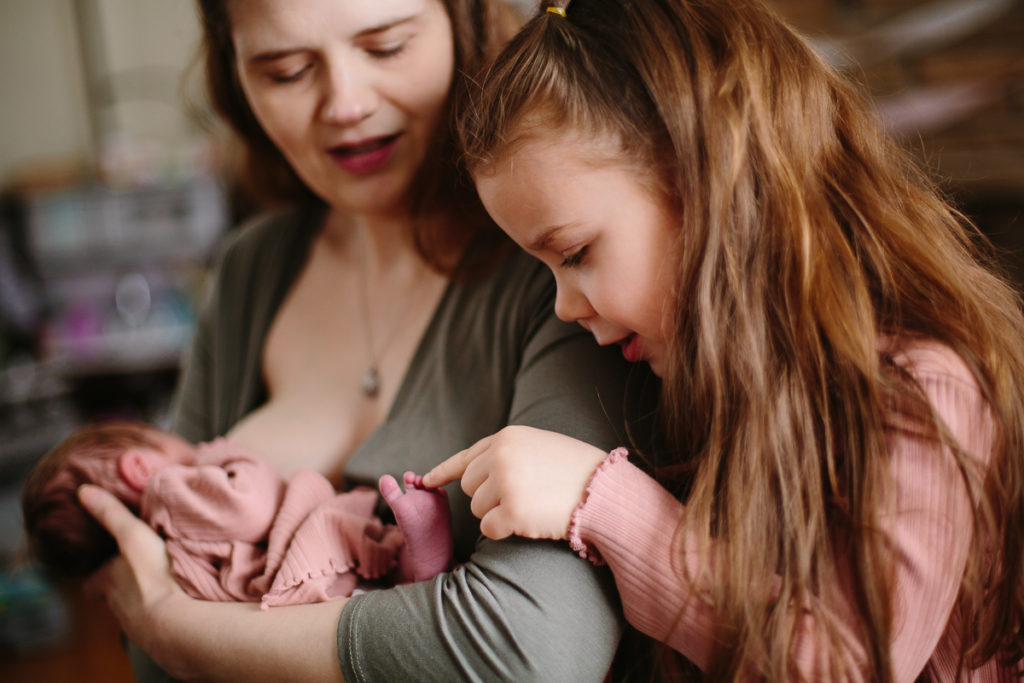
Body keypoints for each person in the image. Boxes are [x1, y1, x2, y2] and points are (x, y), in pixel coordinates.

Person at [426, 0, 1024, 680]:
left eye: (577, 252)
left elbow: (844, 665)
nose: (564, 306)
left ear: (708, 185)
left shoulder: (920, 390)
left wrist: (603, 498)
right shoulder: (693, 379)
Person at [76, 0, 644, 680]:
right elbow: (146, 634)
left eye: (387, 47)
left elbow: (530, 653)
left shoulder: (560, 267)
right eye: (285, 71)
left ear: (466, 27)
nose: (344, 103)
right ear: (235, 78)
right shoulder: (252, 270)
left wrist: (182, 627)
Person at [22, 420, 453, 608]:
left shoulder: (169, 553)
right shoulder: (169, 490)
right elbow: (252, 506)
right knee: (351, 532)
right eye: (167, 439)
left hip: (314, 591)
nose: (191, 447)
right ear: (139, 469)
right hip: (307, 565)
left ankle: (415, 564)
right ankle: (415, 560)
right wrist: (216, 454)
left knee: (375, 576)